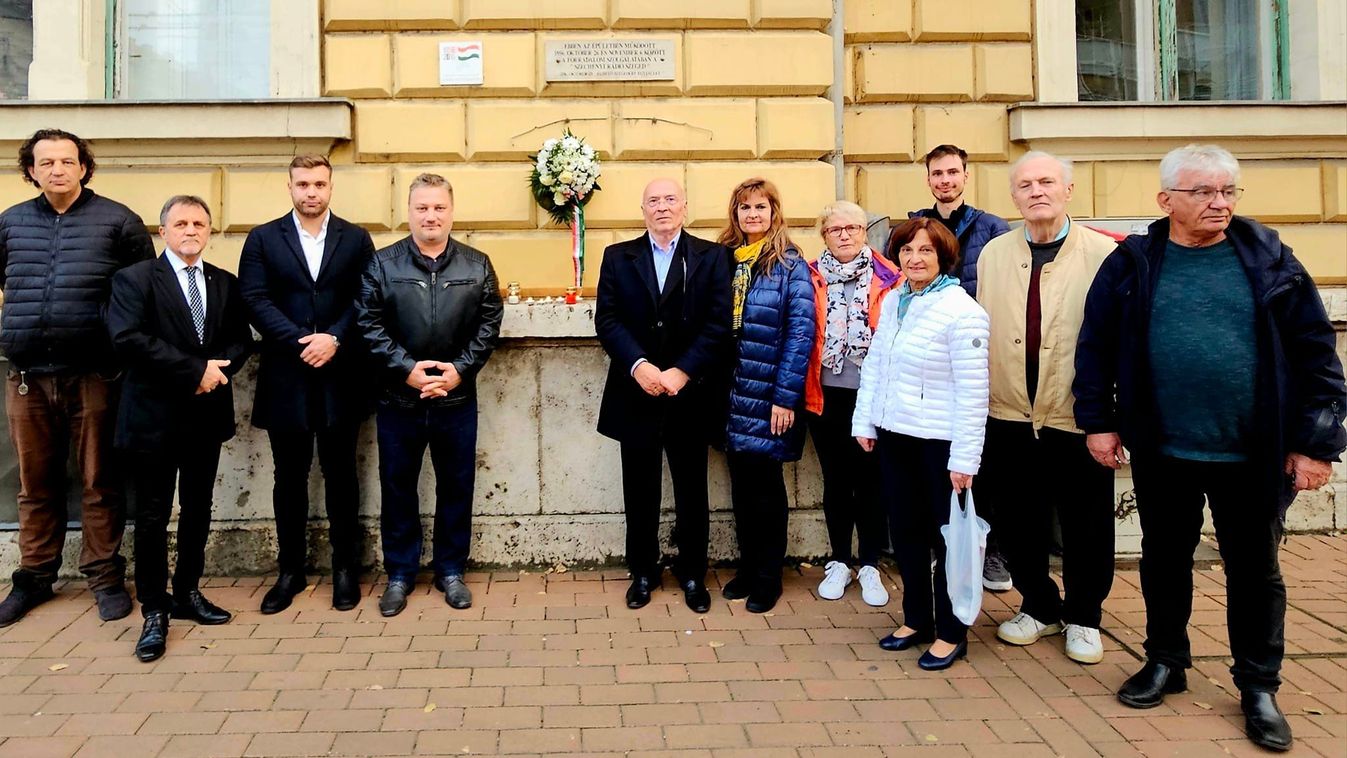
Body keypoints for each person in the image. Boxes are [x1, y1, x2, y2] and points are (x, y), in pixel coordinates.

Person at [1075, 144, 1346, 753]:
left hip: (1254, 450)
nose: (1219, 203)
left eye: (1228, 191)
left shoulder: (1271, 259)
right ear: (1166, 199)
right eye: (1203, 192)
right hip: (1163, 445)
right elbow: (1094, 346)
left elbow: (1316, 355)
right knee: (1163, 558)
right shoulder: (1135, 262)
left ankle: (1258, 686)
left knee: (1254, 570)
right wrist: (1099, 421)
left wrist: (1317, 444)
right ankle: (1166, 661)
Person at [0, 129, 155, 627]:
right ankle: (35, 575)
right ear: (30, 170)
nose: (57, 170)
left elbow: (142, 294)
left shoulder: (118, 222)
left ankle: (104, 574)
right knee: (35, 483)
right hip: (27, 376)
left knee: (99, 480)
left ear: (84, 167)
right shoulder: (11, 223)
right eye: (45, 163)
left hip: (95, 373)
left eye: (67, 161)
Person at [975, 151, 1118, 665]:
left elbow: (1119, 339)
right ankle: (1038, 605)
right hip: (1010, 411)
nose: (1037, 191)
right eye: (1025, 184)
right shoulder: (993, 254)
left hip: (1076, 413)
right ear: (1013, 196)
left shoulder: (1104, 254)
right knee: (1018, 519)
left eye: (1047, 182)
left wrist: (1112, 416)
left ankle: (1084, 616)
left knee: (1087, 522)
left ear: (1068, 190)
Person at [106, 195, 255, 661]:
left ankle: (188, 590)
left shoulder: (223, 282)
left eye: (199, 223)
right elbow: (128, 338)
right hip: (153, 417)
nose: (190, 230)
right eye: (181, 223)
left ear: (209, 231)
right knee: (151, 515)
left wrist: (218, 373)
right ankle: (154, 608)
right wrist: (193, 371)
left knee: (198, 507)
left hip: (205, 416)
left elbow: (240, 340)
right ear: (163, 230)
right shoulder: (134, 280)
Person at [356, 173, 503, 617]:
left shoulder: (476, 265)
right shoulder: (383, 265)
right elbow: (368, 324)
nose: (430, 216)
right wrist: (407, 370)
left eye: (438, 207)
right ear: (409, 212)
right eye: (422, 208)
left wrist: (459, 372)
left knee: (456, 486)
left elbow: (489, 323)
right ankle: (400, 574)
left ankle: (450, 571)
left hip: (456, 400)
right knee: (398, 487)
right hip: (399, 399)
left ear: (451, 212)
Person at [238, 155, 377, 614]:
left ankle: (344, 568)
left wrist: (335, 337)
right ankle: (290, 570)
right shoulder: (262, 238)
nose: (311, 192)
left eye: (319, 183)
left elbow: (367, 296)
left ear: (331, 187)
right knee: (289, 477)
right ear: (290, 187)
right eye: (303, 184)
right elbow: (254, 299)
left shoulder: (356, 239)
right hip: (288, 374)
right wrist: (302, 340)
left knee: (341, 474)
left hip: (342, 373)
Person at [853, 217, 989, 672]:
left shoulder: (961, 310)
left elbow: (974, 392)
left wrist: (965, 458)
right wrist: (866, 423)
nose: (915, 259)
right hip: (897, 438)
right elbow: (875, 366)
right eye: (907, 251)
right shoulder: (895, 301)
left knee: (948, 541)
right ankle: (916, 620)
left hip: (941, 445)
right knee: (908, 536)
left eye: (926, 251)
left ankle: (952, 632)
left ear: (944, 257)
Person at [595, 178, 732, 614]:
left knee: (692, 489)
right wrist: (640, 366)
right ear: (643, 209)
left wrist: (682, 370)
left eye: (670, 199)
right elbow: (608, 319)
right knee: (639, 489)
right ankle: (642, 572)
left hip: (689, 395)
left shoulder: (711, 257)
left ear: (685, 207)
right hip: (635, 391)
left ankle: (693, 573)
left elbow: (718, 323)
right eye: (653, 200)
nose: (662, 207)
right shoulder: (618, 257)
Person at [908, 144, 1012, 592]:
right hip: (931, 362)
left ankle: (990, 551)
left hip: (976, 352)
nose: (945, 180)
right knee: (935, 461)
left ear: (966, 176)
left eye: (952, 172)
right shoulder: (917, 225)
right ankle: (939, 547)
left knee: (981, 460)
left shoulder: (992, 227)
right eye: (937, 173)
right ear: (929, 179)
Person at [719, 178, 816, 614]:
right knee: (739, 485)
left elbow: (800, 334)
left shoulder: (790, 265)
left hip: (770, 395)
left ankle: (769, 576)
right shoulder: (727, 260)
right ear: (735, 214)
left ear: (775, 213)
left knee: (766, 489)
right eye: (744, 208)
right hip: (734, 392)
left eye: (761, 207)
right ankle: (748, 566)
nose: (752, 214)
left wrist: (784, 398)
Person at [804, 200, 901, 606]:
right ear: (824, 235)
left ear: (865, 232)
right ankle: (840, 559)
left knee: (871, 480)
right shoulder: (808, 276)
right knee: (836, 478)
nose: (844, 235)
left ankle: (870, 563)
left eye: (853, 228)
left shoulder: (890, 277)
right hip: (824, 394)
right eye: (835, 229)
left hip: (873, 394)